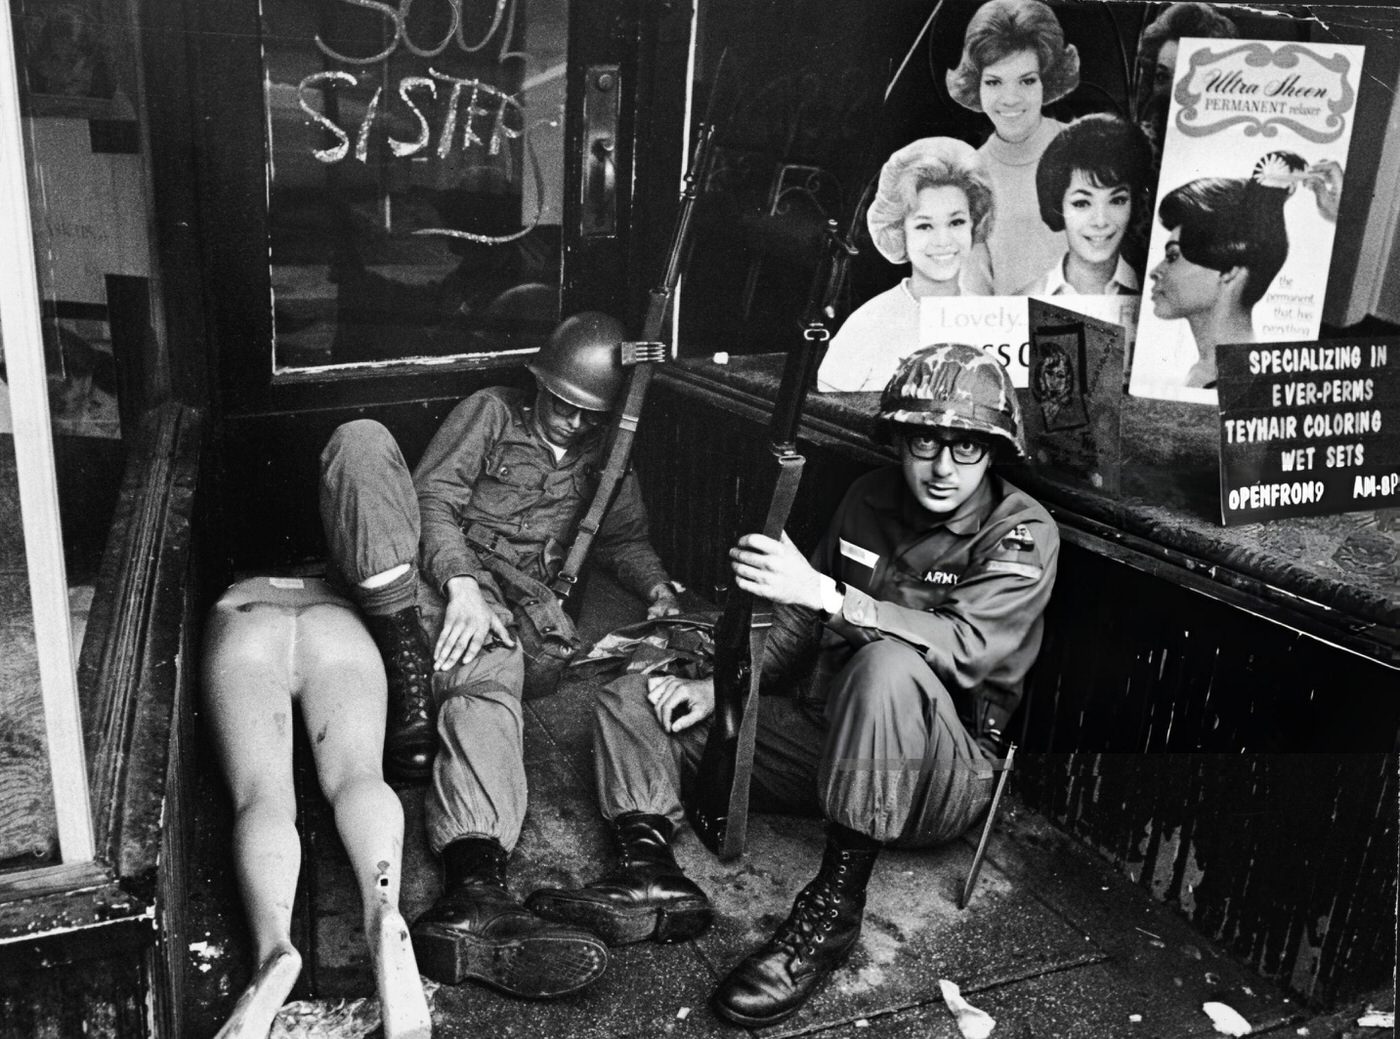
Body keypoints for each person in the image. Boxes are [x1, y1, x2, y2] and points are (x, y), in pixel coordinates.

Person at [526, 343, 1060, 1027]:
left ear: (993, 453)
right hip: (830, 735)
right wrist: (725, 693)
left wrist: (828, 592)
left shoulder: (1020, 531)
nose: (942, 467)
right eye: (925, 441)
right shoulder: (870, 497)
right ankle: (648, 868)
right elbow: (804, 623)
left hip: (938, 774)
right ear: (900, 438)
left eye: (967, 447)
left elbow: (967, 648)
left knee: (889, 663)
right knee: (640, 696)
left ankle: (831, 915)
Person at [317, 311, 683, 999]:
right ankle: (405, 670)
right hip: (421, 588)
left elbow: (624, 540)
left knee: (496, 672)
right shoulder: (490, 411)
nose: (572, 425)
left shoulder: (610, 459)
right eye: (562, 405)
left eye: (589, 417)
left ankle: (474, 890)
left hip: (504, 621)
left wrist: (657, 585)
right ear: (537, 384)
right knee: (361, 443)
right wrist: (459, 584)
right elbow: (430, 498)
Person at [202, 576, 432, 1039]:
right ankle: (384, 908)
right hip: (334, 617)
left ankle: (274, 949)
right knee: (360, 775)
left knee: (261, 794)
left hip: (245, 614)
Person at [1147, 151, 1343, 388]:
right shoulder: (1202, 374)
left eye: (1172, 256)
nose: (1155, 271)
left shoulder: (1243, 384)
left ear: (1229, 270)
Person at [817, 137, 995, 392]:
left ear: (974, 224)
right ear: (899, 231)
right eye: (924, 226)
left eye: (956, 222)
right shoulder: (868, 324)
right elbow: (825, 419)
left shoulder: (994, 318)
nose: (943, 241)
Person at [946, 0, 1081, 295]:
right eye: (994, 82)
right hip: (1008, 335)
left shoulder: (1085, 148)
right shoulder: (970, 175)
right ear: (976, 86)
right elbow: (975, 296)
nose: (1010, 99)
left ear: (1046, 81)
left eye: (1026, 81)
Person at [1019, 113, 1153, 297]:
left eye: (1117, 200)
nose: (1100, 221)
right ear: (1058, 206)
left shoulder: (1156, 297)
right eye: (1082, 203)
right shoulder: (1022, 300)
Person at [1134, 3, 1239, 164]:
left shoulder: (1236, 147)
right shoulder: (1133, 147)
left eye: (1187, 79)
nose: (1173, 92)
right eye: (1162, 76)